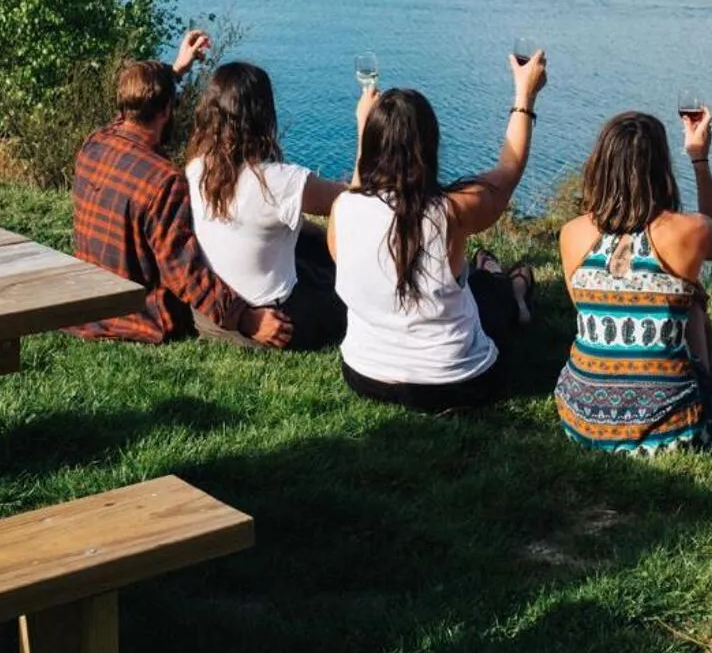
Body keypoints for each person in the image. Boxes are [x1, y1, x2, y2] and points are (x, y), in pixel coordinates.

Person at [329, 52, 544, 411]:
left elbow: (358, 189)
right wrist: (525, 96)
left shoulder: (343, 209)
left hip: (365, 374)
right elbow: (509, 172)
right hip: (455, 383)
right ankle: (515, 292)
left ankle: (502, 283)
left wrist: (364, 128)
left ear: (371, 144)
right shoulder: (451, 211)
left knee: (472, 284)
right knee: (489, 294)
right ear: (430, 145)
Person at [69, 30, 291, 347]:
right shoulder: (163, 180)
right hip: (137, 314)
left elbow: (136, 104)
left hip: (93, 299)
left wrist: (176, 70)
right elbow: (182, 272)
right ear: (166, 111)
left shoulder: (94, 144)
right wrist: (245, 318)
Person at [554, 108, 712, 455]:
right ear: (661, 168)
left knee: (674, 295)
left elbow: (581, 306)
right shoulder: (688, 230)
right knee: (690, 297)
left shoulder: (572, 233)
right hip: (672, 434)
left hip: (582, 421)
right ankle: (706, 374)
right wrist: (699, 158)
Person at [184, 61, 349, 350]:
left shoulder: (196, 168)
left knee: (311, 248)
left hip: (210, 316)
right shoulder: (277, 181)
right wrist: (366, 124)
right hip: (273, 321)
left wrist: (320, 237)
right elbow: (352, 201)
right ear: (263, 115)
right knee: (347, 292)